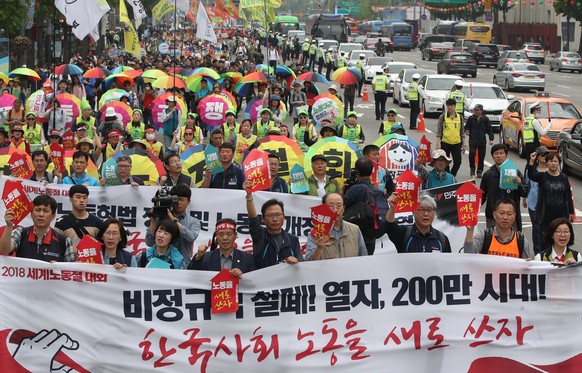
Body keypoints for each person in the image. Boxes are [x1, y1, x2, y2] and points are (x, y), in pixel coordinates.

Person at [243, 181, 302, 269]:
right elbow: (253, 218)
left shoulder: (293, 240)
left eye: (278, 214)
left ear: (284, 217)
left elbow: (301, 265)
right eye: (270, 215)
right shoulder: (260, 235)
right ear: (263, 219)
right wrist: (249, 195)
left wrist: (296, 261)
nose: (274, 219)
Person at [0, 195, 74, 262]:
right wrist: (9, 226)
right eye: (37, 210)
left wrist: (58, 268)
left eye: (46, 211)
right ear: (31, 213)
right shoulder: (20, 233)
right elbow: (4, 251)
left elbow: (71, 271)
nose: (41, 214)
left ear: (53, 216)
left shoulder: (64, 241)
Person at [526, 151, 573, 251]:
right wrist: (531, 161)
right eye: (551, 161)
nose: (553, 163)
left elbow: (568, 196)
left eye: (556, 161)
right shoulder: (542, 176)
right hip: (545, 215)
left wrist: (571, 212)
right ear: (547, 163)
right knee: (546, 241)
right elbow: (530, 175)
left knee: (561, 239)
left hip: (561, 214)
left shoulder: (564, 177)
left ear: (559, 163)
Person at [145, 184, 201, 267]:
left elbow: (191, 237)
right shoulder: (161, 218)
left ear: (189, 201)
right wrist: (153, 220)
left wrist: (173, 220)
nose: (178, 202)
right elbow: (149, 242)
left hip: (182, 264)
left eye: (182, 200)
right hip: (158, 263)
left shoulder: (193, 221)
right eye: (176, 199)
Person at [343, 158, 388, 255]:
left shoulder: (355, 189)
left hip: (354, 236)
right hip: (370, 236)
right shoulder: (376, 190)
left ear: (357, 172)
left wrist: (343, 192)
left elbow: (342, 207)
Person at [305, 193, 368, 260]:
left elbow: (364, 257)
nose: (335, 210)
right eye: (331, 206)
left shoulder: (355, 230)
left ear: (343, 208)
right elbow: (309, 262)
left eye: (338, 206)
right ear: (324, 207)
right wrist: (319, 248)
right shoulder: (316, 233)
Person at [481, 144, 529, 231]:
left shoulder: (515, 172)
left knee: (513, 242)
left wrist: (519, 184)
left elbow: (525, 192)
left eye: (501, 153)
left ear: (506, 155)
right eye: (496, 154)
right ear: (492, 156)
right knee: (493, 241)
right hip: (493, 217)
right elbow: (482, 195)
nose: (499, 156)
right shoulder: (488, 175)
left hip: (511, 216)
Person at [464, 199, 533, 259]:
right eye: (501, 213)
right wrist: (470, 231)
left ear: (514, 216)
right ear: (494, 215)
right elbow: (468, 255)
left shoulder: (521, 241)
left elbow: (526, 269)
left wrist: (528, 265)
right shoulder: (484, 236)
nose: (505, 217)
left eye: (509, 214)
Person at [385, 193, 452, 253]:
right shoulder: (404, 233)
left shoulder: (442, 238)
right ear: (413, 212)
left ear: (434, 212)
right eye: (421, 210)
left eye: (429, 210)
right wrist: (392, 208)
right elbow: (389, 226)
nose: (426, 214)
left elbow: (447, 263)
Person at [188, 219, 255, 276]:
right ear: (216, 236)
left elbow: (254, 282)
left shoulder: (247, 259)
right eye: (221, 234)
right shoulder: (206, 258)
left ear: (235, 236)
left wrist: (243, 277)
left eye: (229, 234)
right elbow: (190, 275)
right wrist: (198, 257)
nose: (225, 238)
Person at [523, 146, 549, 254]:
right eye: (542, 155)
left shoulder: (552, 168)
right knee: (537, 228)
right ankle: (537, 251)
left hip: (548, 205)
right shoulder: (532, 169)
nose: (544, 157)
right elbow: (527, 183)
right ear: (537, 157)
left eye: (546, 155)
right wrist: (524, 198)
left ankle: (547, 250)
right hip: (534, 203)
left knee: (547, 228)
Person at [436, 98, 466, 176]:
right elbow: (439, 131)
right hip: (445, 142)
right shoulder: (442, 117)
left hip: (457, 143)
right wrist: (437, 143)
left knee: (458, 162)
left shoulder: (460, 117)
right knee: (445, 162)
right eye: (448, 105)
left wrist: (464, 144)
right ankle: (447, 176)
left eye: (451, 105)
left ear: (455, 106)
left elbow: (462, 131)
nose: (450, 107)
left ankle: (452, 175)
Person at [464, 104, 494, 178]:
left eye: (477, 110)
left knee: (481, 156)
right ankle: (472, 169)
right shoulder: (471, 118)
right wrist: (467, 131)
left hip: (482, 141)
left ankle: (480, 171)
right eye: (475, 110)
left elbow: (489, 129)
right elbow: (466, 127)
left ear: (481, 111)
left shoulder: (485, 119)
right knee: (472, 154)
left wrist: (491, 138)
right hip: (473, 140)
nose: (475, 111)